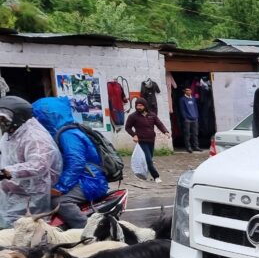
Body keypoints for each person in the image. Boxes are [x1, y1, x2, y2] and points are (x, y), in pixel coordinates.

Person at [32, 97, 109, 230]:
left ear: (48, 116)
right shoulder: (57, 133)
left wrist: (61, 187)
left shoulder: (68, 134)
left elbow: (76, 162)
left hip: (89, 180)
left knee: (60, 201)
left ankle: (87, 231)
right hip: (80, 178)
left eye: (37, 117)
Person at [0, 95, 62, 227]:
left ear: (18, 117)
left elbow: (39, 165)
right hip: (13, 189)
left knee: (24, 231)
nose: (1, 122)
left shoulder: (34, 136)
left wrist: (7, 172)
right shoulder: (11, 134)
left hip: (31, 194)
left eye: (3, 118)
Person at [125, 99, 170, 183]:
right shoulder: (133, 116)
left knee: (149, 159)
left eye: (141, 105)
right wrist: (134, 135)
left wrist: (165, 132)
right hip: (141, 141)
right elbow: (127, 127)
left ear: (145, 106)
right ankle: (156, 177)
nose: (138, 107)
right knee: (148, 159)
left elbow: (159, 124)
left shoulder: (152, 115)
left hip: (151, 140)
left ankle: (144, 173)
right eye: (137, 105)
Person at [179, 86, 200, 153]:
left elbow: (196, 108)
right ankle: (188, 147)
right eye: (187, 90)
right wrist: (185, 117)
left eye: (189, 90)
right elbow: (182, 109)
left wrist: (196, 116)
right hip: (187, 119)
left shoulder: (193, 98)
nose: (188, 91)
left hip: (194, 118)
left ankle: (196, 146)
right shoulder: (182, 99)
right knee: (187, 134)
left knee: (195, 133)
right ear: (184, 91)